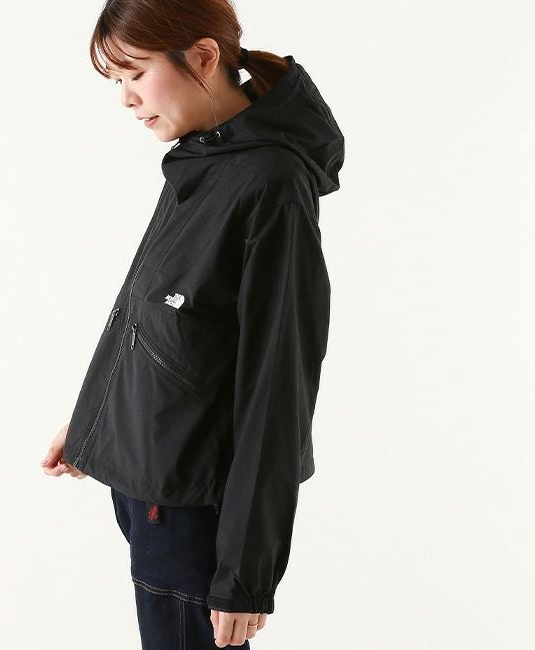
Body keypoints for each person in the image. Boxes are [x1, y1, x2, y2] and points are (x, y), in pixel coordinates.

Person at [40, 1, 345, 647]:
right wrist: (97, 422)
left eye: (136, 73)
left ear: (203, 57)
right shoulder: (203, 157)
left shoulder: (270, 183)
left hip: (191, 506)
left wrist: (245, 575)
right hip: (152, 489)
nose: (126, 99)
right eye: (115, 80)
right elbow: (148, 311)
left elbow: (277, 388)